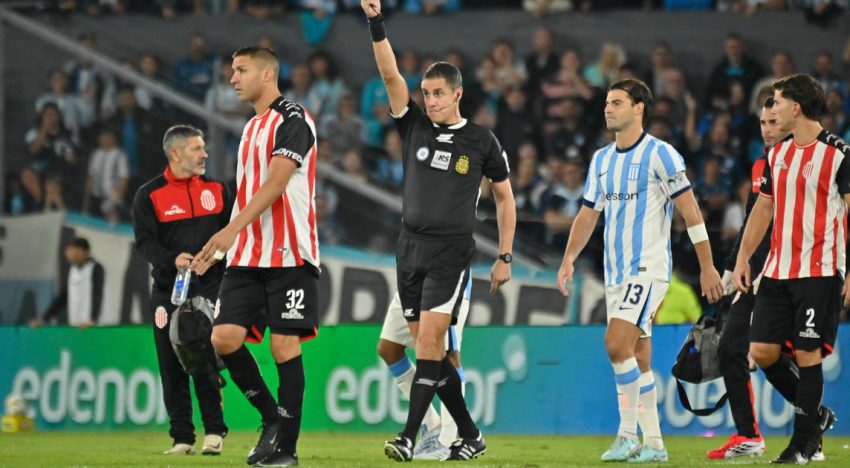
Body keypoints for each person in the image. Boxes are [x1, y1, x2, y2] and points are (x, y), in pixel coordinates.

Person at [360, 1, 516, 462]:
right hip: (409, 249)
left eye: (436, 93)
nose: (428, 100)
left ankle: (413, 437)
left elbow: (505, 199)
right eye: (425, 93)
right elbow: (390, 77)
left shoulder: (482, 141)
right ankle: (469, 434)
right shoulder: (413, 127)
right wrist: (376, 21)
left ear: (457, 94)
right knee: (426, 353)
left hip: (451, 252)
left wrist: (504, 256)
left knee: (431, 345)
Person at [556, 78, 723, 463]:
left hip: (647, 268)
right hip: (615, 272)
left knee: (615, 345)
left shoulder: (661, 155)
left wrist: (708, 266)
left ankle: (627, 436)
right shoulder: (601, 159)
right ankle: (656, 445)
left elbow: (690, 211)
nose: (607, 108)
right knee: (639, 357)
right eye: (606, 103)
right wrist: (567, 258)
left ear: (639, 108)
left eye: (616, 102)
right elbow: (586, 215)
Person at [192, 46, 320, 467]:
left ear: (267, 75)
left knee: (284, 347)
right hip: (247, 255)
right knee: (223, 338)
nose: (233, 79)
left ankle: (287, 449)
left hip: (289, 254)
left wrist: (230, 228)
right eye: (232, 70)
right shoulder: (250, 128)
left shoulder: (294, 120)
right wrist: (220, 245)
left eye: (241, 70)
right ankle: (270, 418)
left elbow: (277, 184)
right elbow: (248, 192)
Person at [732, 74, 844, 464]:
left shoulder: (839, 154)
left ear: (796, 107)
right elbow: (764, 209)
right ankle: (816, 420)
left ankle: (802, 444)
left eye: (777, 101)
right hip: (778, 272)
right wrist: (744, 258)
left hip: (820, 270)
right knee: (762, 352)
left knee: (808, 354)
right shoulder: (777, 155)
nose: (772, 108)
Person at [132, 125, 233, 456]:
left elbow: (235, 233)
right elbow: (145, 243)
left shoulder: (218, 190)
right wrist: (172, 259)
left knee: (202, 357)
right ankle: (182, 438)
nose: (204, 154)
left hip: (210, 288)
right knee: (170, 363)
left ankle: (215, 431)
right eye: (197, 149)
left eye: (204, 148)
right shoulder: (149, 195)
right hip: (168, 292)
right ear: (175, 154)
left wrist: (216, 256)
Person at [706, 98, 787, 460]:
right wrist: (730, 266)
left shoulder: (804, 161)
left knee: (781, 355)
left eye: (773, 121)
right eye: (762, 122)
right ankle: (748, 435)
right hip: (751, 277)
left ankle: (811, 425)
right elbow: (753, 221)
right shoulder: (761, 165)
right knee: (730, 349)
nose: (767, 129)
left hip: (788, 274)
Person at [378, 277, 471, 461]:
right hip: (412, 279)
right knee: (389, 348)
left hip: (444, 279)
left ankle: (447, 441)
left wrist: (504, 258)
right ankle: (431, 426)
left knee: (448, 354)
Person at [30, 237, 103, 328]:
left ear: (81, 250)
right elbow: (62, 297)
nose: (68, 254)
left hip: (93, 326)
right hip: (77, 326)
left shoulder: (95, 268)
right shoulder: (72, 270)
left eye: (71, 250)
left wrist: (93, 319)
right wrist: (44, 319)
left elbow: (97, 295)